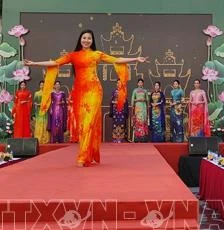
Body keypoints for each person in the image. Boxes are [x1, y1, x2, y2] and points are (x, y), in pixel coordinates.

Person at [25, 29, 147, 167]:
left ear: (92, 40)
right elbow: (54, 63)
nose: (86, 40)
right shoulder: (73, 55)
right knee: (83, 125)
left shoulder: (97, 54)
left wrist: (135, 58)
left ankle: (83, 157)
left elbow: (117, 60)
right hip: (79, 93)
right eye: (84, 38)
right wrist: (34, 63)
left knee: (89, 122)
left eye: (89, 38)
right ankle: (88, 154)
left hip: (94, 91)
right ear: (80, 39)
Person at [110, 79, 129, 143]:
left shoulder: (124, 91)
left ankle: (121, 138)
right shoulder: (114, 92)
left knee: (121, 124)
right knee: (115, 124)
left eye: (120, 83)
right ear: (116, 84)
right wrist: (115, 102)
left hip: (122, 110)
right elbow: (111, 101)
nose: (118, 84)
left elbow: (125, 101)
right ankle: (115, 138)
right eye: (117, 83)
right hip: (115, 110)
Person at [131, 78, 149, 142]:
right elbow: (133, 100)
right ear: (137, 83)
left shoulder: (145, 91)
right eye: (139, 83)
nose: (140, 84)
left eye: (141, 83)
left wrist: (144, 100)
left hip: (143, 107)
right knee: (138, 121)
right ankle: (137, 138)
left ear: (143, 83)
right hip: (137, 108)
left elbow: (147, 100)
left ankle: (143, 138)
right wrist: (136, 101)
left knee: (143, 121)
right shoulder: (135, 91)